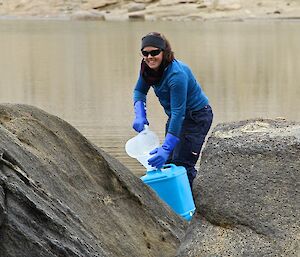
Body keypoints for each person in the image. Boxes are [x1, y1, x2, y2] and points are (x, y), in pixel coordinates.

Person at [132, 32, 213, 190]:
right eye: (145, 53)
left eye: (155, 52)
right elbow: (139, 91)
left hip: (197, 116)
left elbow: (178, 113)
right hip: (176, 117)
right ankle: (172, 207)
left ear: (164, 52)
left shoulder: (176, 75)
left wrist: (167, 147)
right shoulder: (147, 69)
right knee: (168, 164)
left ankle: (194, 208)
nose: (150, 57)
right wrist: (140, 114)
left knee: (182, 165)